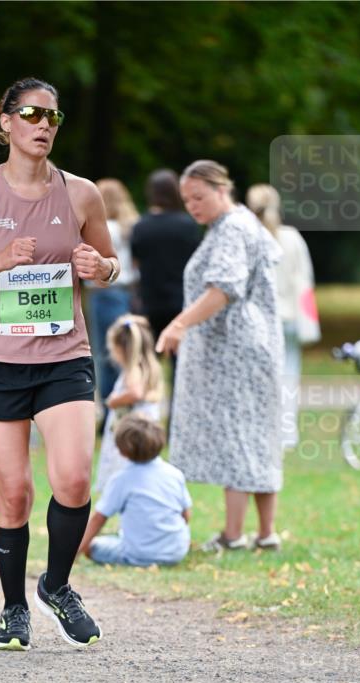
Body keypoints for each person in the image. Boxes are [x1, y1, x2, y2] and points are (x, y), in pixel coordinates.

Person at [0, 77, 119, 650]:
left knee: (74, 479)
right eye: (32, 114)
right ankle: (14, 609)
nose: (43, 125)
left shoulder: (82, 194)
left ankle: (56, 586)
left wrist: (100, 269)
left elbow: (111, 265)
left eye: (52, 117)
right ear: (7, 122)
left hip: (64, 356)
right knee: (14, 496)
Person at [156, 160, 284, 552]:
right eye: (186, 200)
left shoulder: (232, 229)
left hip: (236, 350)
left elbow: (223, 288)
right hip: (256, 346)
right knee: (257, 434)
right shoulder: (239, 224)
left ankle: (233, 535)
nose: (192, 206)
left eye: (199, 197)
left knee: (238, 436)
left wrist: (179, 324)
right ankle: (266, 533)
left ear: (221, 189)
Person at [246, 183, 320, 450]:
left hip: (258, 320)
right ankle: (286, 434)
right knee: (288, 376)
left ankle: (260, 431)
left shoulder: (248, 238)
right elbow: (305, 278)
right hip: (289, 318)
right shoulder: (291, 238)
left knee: (257, 378)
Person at [79, 414, 191, 566]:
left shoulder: (121, 479)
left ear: (122, 450)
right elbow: (186, 515)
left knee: (93, 547)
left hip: (139, 554)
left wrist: (75, 552)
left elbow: (99, 519)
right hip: (176, 551)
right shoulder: (174, 474)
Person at [86, 178, 139, 420]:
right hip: (127, 291)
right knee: (129, 349)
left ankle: (110, 408)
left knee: (105, 353)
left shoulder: (102, 229)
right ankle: (132, 401)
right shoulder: (130, 227)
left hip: (103, 291)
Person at [130, 169, 201, 343]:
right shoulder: (188, 225)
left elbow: (135, 263)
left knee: (150, 355)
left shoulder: (141, 226)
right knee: (182, 355)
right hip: (183, 300)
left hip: (150, 301)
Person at [94, 313, 163, 493]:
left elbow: (135, 393)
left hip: (130, 433)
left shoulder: (132, 370)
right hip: (144, 432)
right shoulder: (149, 367)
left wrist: (114, 401)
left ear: (121, 349)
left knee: (123, 474)